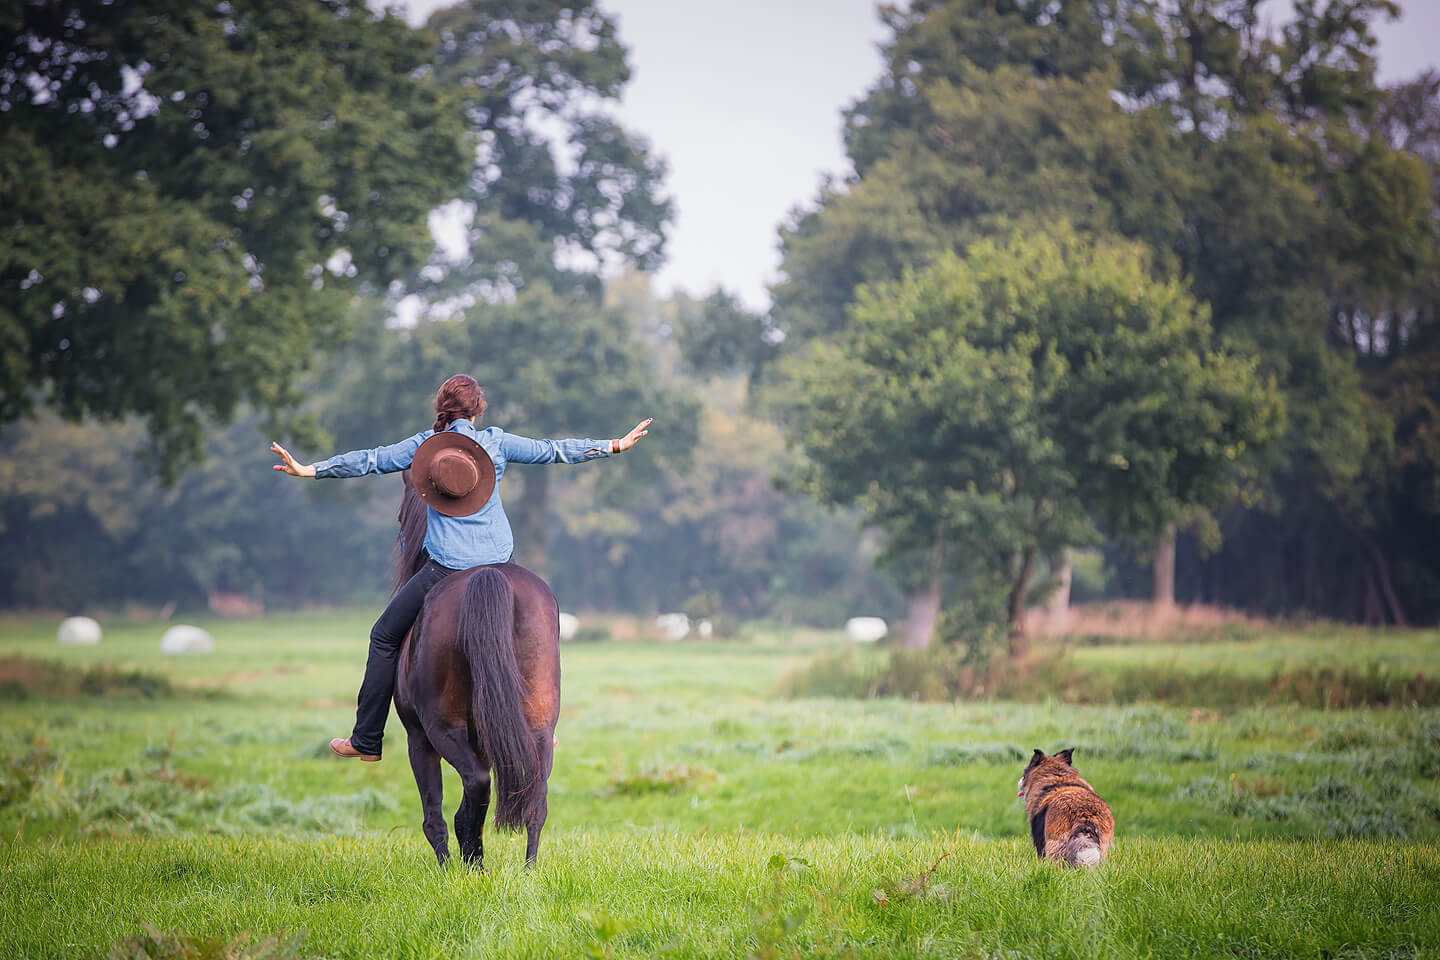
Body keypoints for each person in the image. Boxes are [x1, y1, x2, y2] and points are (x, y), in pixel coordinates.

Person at [270, 374, 651, 762]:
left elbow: (371, 460)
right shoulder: (496, 443)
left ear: (441, 410)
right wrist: (614, 445)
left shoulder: (424, 447)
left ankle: (366, 740)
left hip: (445, 568)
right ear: (477, 410)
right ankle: (540, 728)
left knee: (384, 637)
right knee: (538, 627)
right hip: (500, 561)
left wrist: (311, 469)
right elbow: (553, 450)